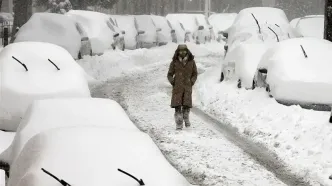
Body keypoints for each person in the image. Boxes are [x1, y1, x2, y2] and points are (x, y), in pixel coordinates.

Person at [167, 44, 198, 130]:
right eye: (181, 51)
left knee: (186, 106)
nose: (182, 52)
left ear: (187, 51)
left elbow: (195, 73)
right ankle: (179, 123)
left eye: (184, 50)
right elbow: (169, 74)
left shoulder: (191, 62)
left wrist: (191, 81)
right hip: (177, 88)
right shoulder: (174, 62)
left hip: (187, 87)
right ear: (178, 52)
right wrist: (173, 82)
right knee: (177, 107)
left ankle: (186, 119)